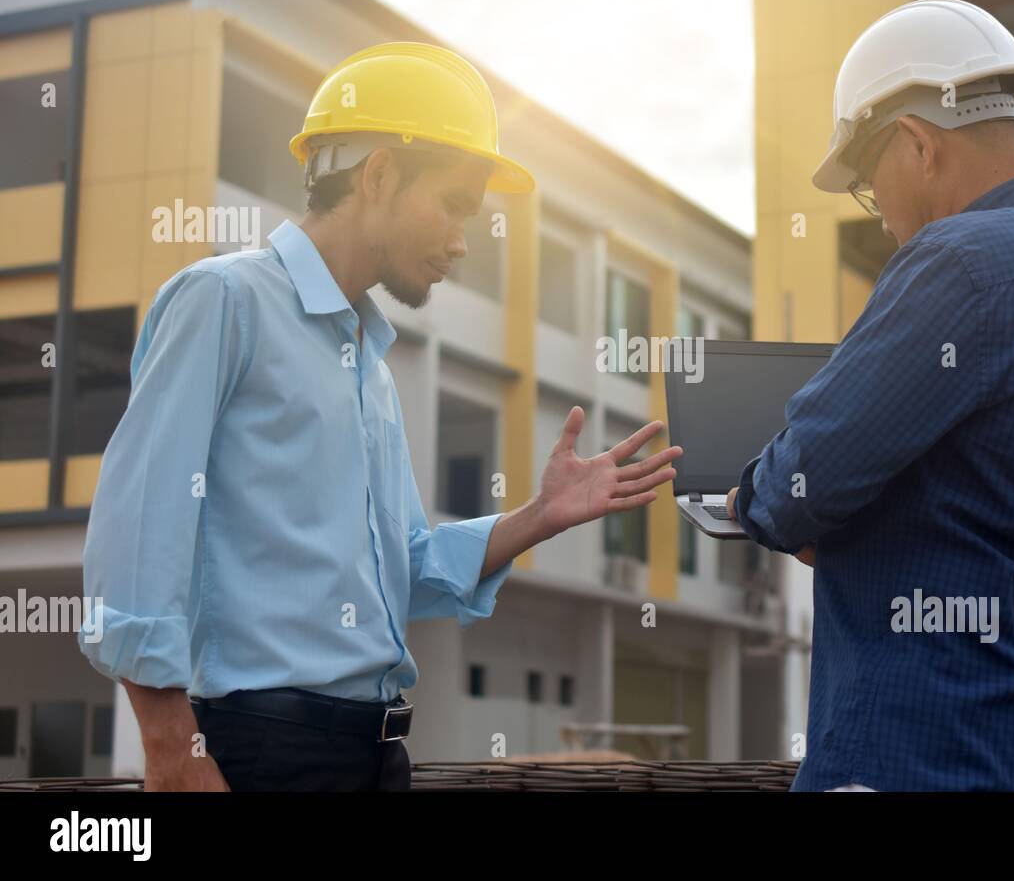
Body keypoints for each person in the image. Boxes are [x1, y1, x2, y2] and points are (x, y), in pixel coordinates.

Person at [78, 42, 681, 791]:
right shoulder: (224, 301)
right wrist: (171, 751)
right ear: (380, 174)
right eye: (455, 205)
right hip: (260, 754)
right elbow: (139, 522)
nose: (463, 243)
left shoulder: (369, 362)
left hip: (376, 757)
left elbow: (404, 571)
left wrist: (538, 516)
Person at [726, 0, 1014, 791]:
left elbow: (802, 482)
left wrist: (747, 501)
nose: (886, 223)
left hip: (922, 754)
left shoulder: (960, 263)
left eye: (871, 189)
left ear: (915, 144)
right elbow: (1012, 515)